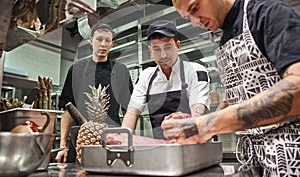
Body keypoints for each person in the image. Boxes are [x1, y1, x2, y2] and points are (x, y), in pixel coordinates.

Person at [161, 0, 300, 176]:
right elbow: (237, 95)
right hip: (252, 158)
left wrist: (207, 125)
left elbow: (297, 89)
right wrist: (196, 122)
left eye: (194, 8)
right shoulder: (224, 41)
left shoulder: (268, 15)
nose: (195, 22)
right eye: (187, 17)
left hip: (290, 153)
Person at [55, 22, 133, 163]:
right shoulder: (76, 70)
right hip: (81, 139)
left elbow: (129, 110)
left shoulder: (121, 70)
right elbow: (67, 109)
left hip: (112, 138)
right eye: (99, 39)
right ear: (91, 41)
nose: (103, 44)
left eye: (107, 40)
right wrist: (62, 146)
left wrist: (124, 138)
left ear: (112, 44)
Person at [122, 20, 210, 139]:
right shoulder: (145, 76)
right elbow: (132, 112)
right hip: (160, 150)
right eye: (157, 49)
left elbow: (198, 109)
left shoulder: (195, 71)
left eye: (168, 47)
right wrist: (123, 139)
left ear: (178, 46)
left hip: (190, 145)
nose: (163, 55)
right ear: (150, 51)